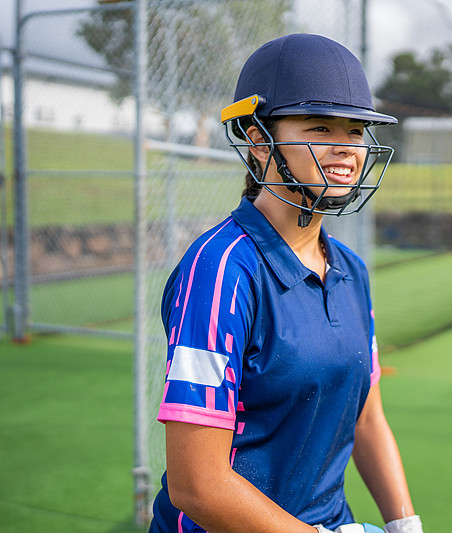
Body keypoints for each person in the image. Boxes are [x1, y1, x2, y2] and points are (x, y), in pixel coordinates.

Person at [149, 33, 423, 533]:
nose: (347, 149)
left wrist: (406, 525)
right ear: (258, 138)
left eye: (357, 130)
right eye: (320, 127)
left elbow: (366, 419)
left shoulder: (352, 271)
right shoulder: (220, 270)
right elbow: (197, 485)